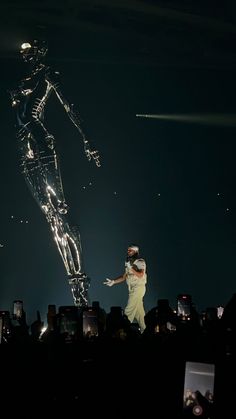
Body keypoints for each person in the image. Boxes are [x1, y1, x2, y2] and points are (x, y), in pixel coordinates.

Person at [9, 39, 101, 307]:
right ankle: (75, 286)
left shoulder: (48, 74)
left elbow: (69, 106)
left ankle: (80, 282)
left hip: (40, 142)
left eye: (31, 51)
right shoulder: (23, 78)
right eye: (24, 52)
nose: (27, 56)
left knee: (62, 210)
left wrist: (87, 139)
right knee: (52, 219)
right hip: (24, 147)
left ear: (41, 52)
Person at [103, 244, 147, 333]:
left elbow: (140, 275)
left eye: (130, 250)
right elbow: (124, 277)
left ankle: (121, 331)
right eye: (127, 250)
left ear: (135, 251)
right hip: (132, 289)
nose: (128, 252)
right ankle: (146, 332)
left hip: (138, 288)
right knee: (140, 314)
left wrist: (132, 269)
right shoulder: (128, 263)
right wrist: (113, 282)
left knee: (128, 311)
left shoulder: (140, 261)